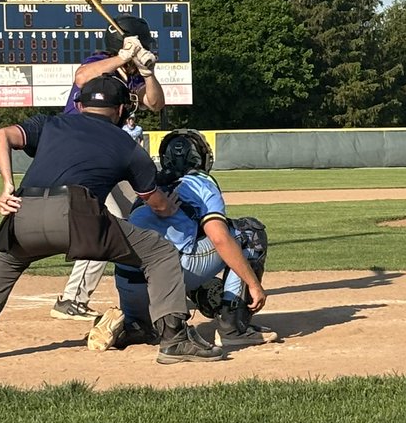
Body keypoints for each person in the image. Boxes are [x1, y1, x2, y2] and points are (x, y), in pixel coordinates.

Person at [0, 74, 223, 365]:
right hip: (79, 215)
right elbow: (154, 201)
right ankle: (174, 338)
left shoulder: (50, 123)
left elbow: (1, 135)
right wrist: (168, 208)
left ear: (80, 106)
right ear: (122, 110)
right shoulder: (126, 144)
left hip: (25, 206)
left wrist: (7, 184)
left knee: (4, 260)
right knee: (158, 253)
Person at [87, 129, 279, 354]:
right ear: (201, 158)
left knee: (176, 249)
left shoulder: (151, 188)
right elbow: (219, 238)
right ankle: (233, 329)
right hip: (168, 274)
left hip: (129, 280)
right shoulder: (201, 182)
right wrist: (254, 285)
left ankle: (134, 324)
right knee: (248, 233)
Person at [51, 15, 165, 322]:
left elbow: (155, 104)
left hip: (108, 153)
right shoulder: (102, 61)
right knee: (108, 221)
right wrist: (121, 57)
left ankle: (152, 283)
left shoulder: (135, 76)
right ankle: (73, 298)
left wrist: (148, 73)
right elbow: (81, 78)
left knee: (135, 214)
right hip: (80, 152)